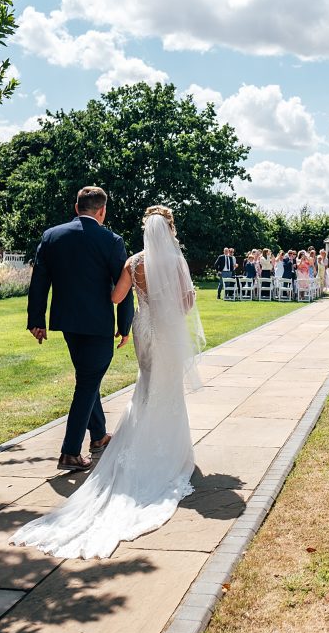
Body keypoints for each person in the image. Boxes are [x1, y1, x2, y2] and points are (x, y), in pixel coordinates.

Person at [13, 205, 203, 559]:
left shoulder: (134, 262)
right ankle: (164, 448)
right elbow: (187, 302)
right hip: (167, 331)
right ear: (170, 230)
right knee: (167, 389)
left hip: (144, 330)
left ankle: (110, 437)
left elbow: (117, 296)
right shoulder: (177, 261)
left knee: (144, 386)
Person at [27, 186, 134, 472]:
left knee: (88, 377)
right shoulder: (111, 240)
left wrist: (36, 319)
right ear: (102, 211)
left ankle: (98, 436)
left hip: (68, 323)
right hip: (98, 324)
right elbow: (124, 286)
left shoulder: (52, 236)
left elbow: (39, 281)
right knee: (87, 382)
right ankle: (70, 452)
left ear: (77, 208)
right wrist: (125, 326)